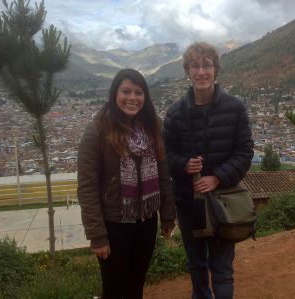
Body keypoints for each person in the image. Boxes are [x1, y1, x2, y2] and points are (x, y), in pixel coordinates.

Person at [163, 42, 254, 299]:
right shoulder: (175, 113)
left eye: (207, 65)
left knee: (222, 268)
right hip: (189, 202)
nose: (201, 71)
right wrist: (183, 164)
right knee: (196, 266)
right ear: (187, 71)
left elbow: (245, 152)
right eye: (195, 66)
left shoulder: (234, 109)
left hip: (222, 202)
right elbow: (166, 155)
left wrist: (217, 177)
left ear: (216, 70)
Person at [77, 68, 176, 299]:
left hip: (146, 220)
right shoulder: (98, 131)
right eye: (126, 91)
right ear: (115, 94)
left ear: (145, 97)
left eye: (138, 92)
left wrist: (167, 214)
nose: (132, 98)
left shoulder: (153, 127)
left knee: (136, 285)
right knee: (113, 289)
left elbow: (163, 173)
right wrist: (97, 235)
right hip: (114, 224)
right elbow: (87, 186)